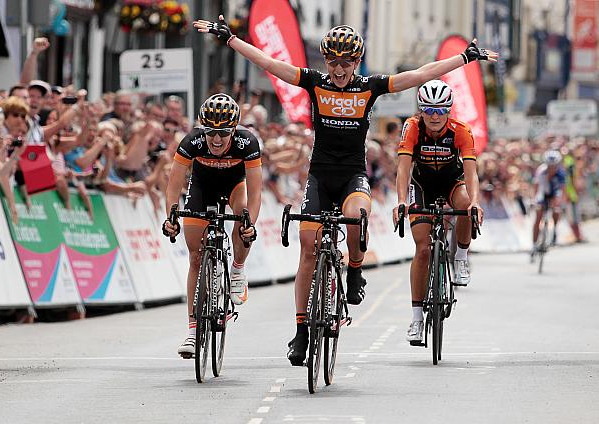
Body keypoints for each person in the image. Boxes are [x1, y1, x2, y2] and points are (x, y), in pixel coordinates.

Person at [194, 17, 497, 365]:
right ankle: (301, 332)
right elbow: (270, 63)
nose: (338, 69)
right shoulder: (315, 82)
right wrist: (232, 39)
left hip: (353, 176)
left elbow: (419, 74)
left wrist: (464, 58)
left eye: (346, 62)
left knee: (355, 219)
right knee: (308, 248)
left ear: (357, 61)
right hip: (320, 177)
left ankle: (354, 269)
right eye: (333, 62)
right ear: (326, 61)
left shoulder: (369, 87)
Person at [162, 94, 262, 358]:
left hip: (234, 187)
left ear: (234, 129)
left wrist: (250, 225)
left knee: (243, 218)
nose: (216, 140)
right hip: (202, 188)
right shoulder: (191, 141)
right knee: (195, 259)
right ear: (202, 128)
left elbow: (255, 192)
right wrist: (170, 218)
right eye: (211, 133)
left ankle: (238, 269)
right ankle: (193, 332)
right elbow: (173, 187)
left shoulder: (247, 143)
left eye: (223, 133)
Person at [392, 80, 484, 344]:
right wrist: (400, 200)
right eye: (428, 110)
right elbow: (403, 168)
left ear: (449, 111)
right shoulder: (411, 127)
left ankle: (461, 257)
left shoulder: (461, 131)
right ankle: (417, 318)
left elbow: (471, 173)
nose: (434, 116)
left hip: (452, 182)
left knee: (465, 204)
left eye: (440, 110)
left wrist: (476, 201)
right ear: (420, 110)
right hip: (421, 185)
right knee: (422, 249)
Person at [531, 150, 566, 258]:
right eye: (550, 166)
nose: (552, 169)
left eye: (554, 166)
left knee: (556, 208)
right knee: (538, 216)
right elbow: (537, 187)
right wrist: (534, 200)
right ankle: (534, 244)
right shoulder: (541, 171)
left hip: (554, 193)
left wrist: (559, 203)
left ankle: (554, 229)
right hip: (543, 193)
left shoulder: (560, 174)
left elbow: (562, 190)